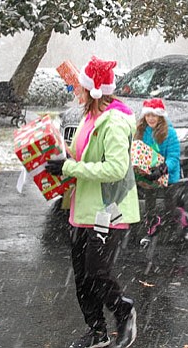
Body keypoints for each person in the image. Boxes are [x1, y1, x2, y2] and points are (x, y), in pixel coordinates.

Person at [45, 56, 139, 348]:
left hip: (108, 209)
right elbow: (80, 155)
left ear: (93, 90)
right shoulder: (89, 115)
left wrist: (70, 168)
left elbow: (115, 169)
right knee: (83, 277)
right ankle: (97, 331)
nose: (76, 91)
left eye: (80, 87)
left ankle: (124, 312)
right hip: (82, 208)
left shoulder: (114, 122)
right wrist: (57, 159)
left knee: (98, 273)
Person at [135, 98, 188, 245]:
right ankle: (151, 229)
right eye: (148, 115)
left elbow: (174, 158)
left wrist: (162, 169)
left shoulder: (170, 133)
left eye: (153, 115)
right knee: (150, 205)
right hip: (149, 175)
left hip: (168, 175)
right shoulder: (142, 131)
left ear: (160, 116)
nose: (150, 118)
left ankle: (186, 222)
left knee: (171, 207)